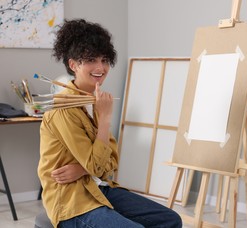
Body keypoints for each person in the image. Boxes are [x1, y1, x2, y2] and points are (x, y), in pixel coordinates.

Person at [37, 19, 182, 228]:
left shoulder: (97, 101)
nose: (100, 67)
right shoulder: (64, 110)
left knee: (171, 220)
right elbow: (98, 164)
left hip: (99, 187)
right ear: (73, 64)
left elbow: (112, 160)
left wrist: (83, 169)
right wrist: (104, 120)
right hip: (71, 199)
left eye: (105, 60)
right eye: (91, 60)